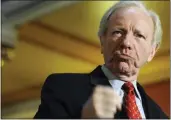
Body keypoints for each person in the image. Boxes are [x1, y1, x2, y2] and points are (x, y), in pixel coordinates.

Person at [34, 1, 168, 119]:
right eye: (118, 32)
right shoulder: (63, 88)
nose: (126, 42)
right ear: (102, 41)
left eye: (139, 35)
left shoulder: (160, 116)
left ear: (152, 51)